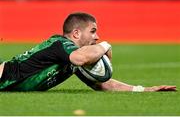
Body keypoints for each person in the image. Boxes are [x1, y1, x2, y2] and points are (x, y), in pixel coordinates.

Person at [0, 12, 176, 92]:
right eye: (92, 31)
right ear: (76, 33)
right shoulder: (61, 44)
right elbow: (81, 58)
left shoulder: (74, 59)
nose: (97, 36)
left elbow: (103, 84)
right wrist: (106, 46)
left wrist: (144, 89)